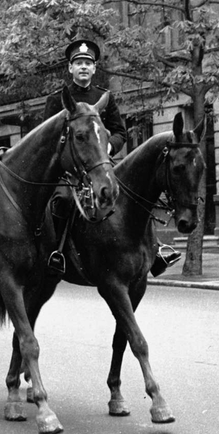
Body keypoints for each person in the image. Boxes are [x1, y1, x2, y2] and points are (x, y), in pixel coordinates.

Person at [42, 38, 180, 277]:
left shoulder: (104, 97)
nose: (84, 67)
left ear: (94, 69)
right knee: (63, 200)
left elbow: (119, 132)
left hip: (100, 165)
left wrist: (107, 149)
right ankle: (58, 253)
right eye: (79, 63)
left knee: (134, 196)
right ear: (70, 68)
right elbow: (48, 137)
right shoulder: (58, 100)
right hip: (70, 170)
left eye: (88, 63)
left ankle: (154, 252)